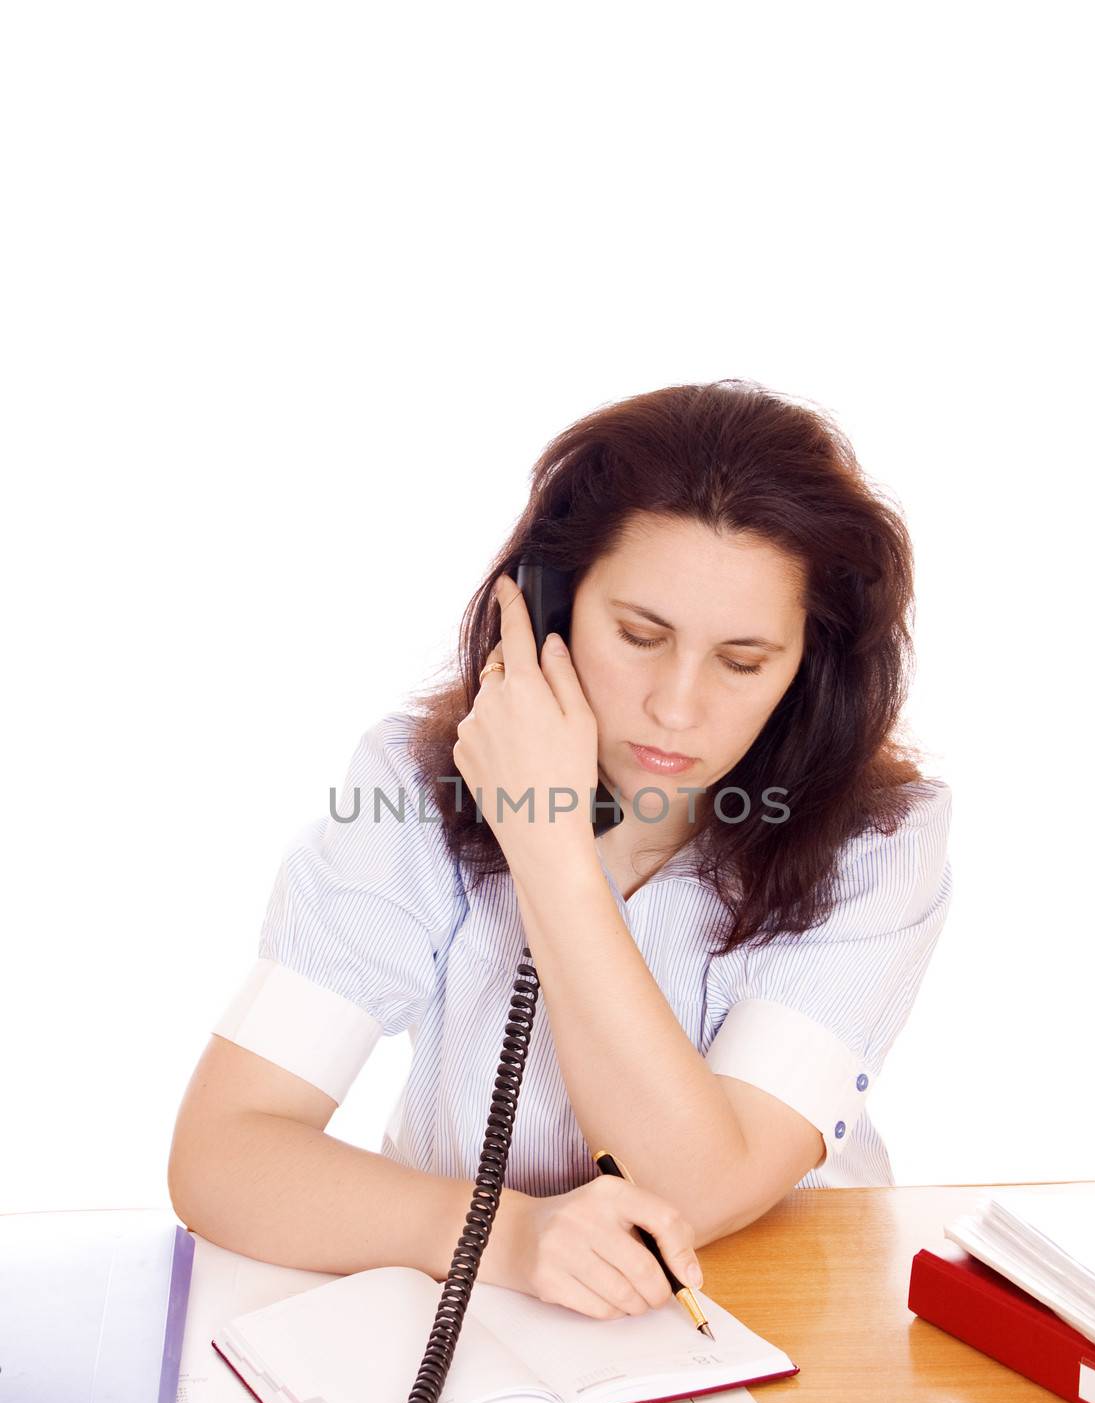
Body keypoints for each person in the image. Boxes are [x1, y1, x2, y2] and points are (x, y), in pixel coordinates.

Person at [168, 378, 953, 1323]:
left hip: (774, 1317)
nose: (676, 706)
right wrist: (508, 1236)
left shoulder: (879, 843)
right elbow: (222, 1155)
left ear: (806, 663)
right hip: (483, 1317)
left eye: (743, 663)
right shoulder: (409, 786)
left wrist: (550, 853)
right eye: (637, 636)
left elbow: (694, 1192)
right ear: (545, 606)